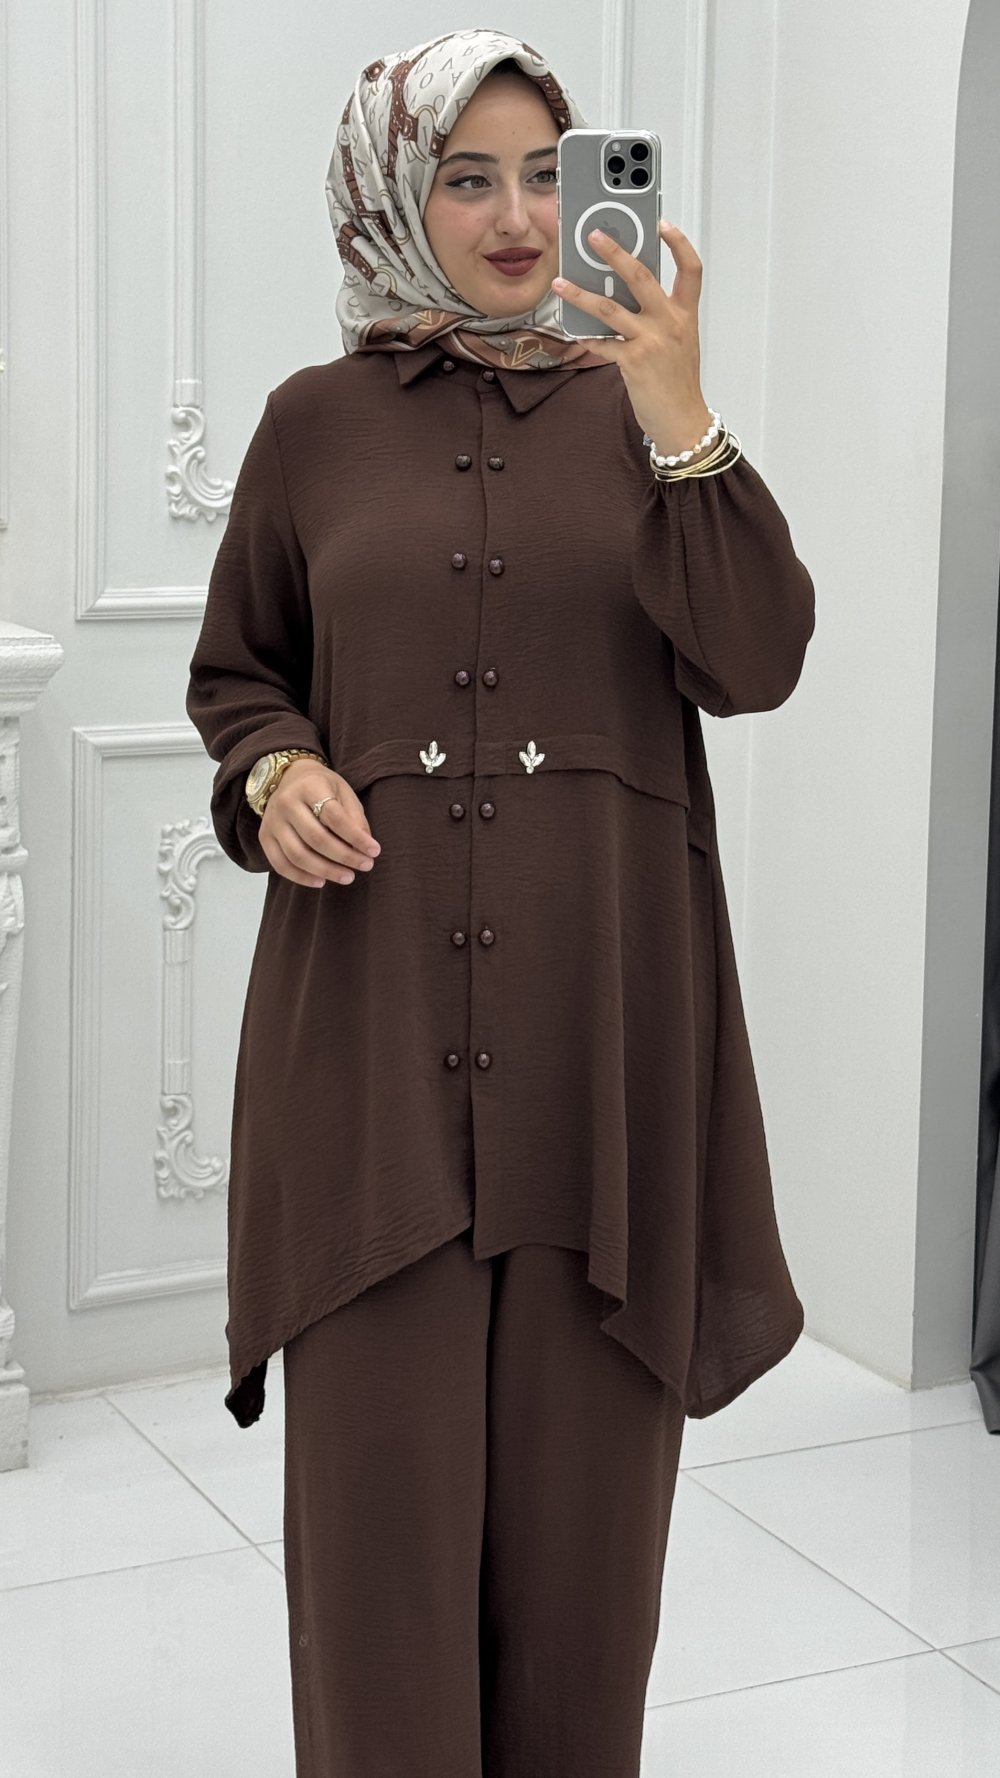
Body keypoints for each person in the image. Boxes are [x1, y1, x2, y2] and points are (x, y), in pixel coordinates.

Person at [186, 26, 816, 1777]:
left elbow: (758, 658)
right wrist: (275, 774)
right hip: (370, 1073)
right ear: (398, 192)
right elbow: (239, 675)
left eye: (547, 173)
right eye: (468, 178)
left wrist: (684, 420)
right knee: (377, 1595)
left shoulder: (645, 414)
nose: (520, 217)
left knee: (584, 1605)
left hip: (600, 1063)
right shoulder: (309, 429)